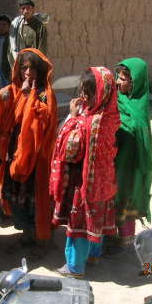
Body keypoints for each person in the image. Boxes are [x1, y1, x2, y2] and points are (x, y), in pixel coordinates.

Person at [0, 48, 57, 259]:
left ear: (41, 70)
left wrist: (29, 97)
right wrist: (16, 96)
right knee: (19, 198)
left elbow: (41, 123)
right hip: (16, 155)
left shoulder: (45, 94)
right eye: (24, 67)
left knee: (37, 199)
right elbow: (2, 118)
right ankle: (27, 234)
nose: (27, 72)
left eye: (32, 68)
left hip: (37, 158)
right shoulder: (15, 90)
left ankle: (42, 240)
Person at [50, 67, 120, 278]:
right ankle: (94, 255)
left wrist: (72, 118)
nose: (82, 97)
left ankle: (75, 267)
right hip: (104, 181)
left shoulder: (88, 124)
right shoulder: (112, 114)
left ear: (99, 94)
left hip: (84, 184)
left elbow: (68, 151)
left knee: (80, 222)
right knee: (96, 218)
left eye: (88, 93)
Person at [106, 58, 152, 254]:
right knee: (109, 197)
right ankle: (109, 235)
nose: (118, 82)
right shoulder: (116, 99)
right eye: (118, 77)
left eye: (124, 79)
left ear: (136, 83)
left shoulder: (139, 106)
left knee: (127, 197)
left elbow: (135, 130)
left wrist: (118, 125)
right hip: (114, 161)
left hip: (131, 165)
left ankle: (125, 238)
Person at [8, 0, 48, 67]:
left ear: (33, 9)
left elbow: (42, 48)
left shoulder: (39, 27)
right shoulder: (16, 27)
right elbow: (11, 48)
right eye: (23, 8)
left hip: (34, 64)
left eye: (28, 8)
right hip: (20, 63)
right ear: (20, 10)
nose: (26, 11)